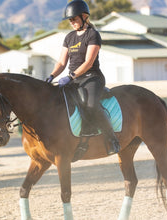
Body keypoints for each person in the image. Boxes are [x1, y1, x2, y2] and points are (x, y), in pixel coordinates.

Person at [46, 0, 120, 155]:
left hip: (92, 77)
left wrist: (70, 76)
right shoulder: (69, 37)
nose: (71, 22)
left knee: (90, 104)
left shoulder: (93, 35)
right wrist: (52, 75)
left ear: (84, 16)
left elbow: (88, 62)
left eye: (74, 19)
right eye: (70, 20)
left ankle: (111, 138)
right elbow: (61, 62)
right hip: (74, 79)